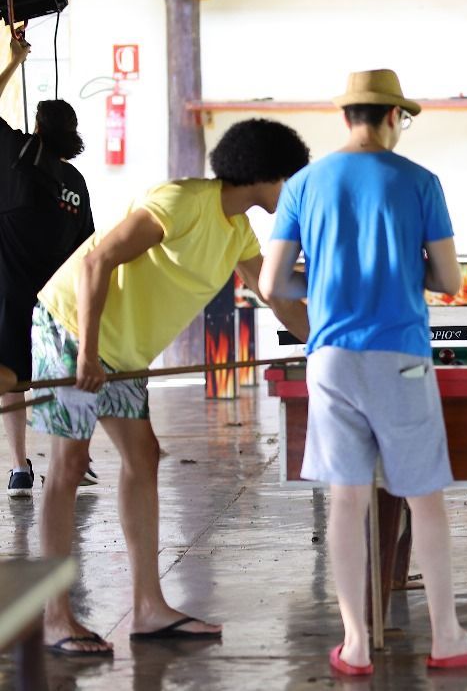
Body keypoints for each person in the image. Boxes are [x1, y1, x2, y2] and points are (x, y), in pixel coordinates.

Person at [31, 119, 311, 654]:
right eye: (291, 182)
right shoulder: (182, 202)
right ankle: (53, 615)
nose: (294, 194)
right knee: (69, 463)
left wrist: (325, 342)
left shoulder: (237, 233)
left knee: (144, 456)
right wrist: (86, 352)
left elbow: (278, 299)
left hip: (124, 351)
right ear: (266, 175)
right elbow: (97, 261)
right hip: (72, 327)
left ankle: (147, 608)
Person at [260, 69, 467, 676]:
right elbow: (448, 279)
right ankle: (446, 638)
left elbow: (271, 283)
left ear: (348, 117)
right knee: (423, 500)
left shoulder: (304, 185)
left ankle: (355, 645)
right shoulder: (420, 181)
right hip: (400, 357)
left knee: (346, 501)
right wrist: (399, 266)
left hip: (331, 357)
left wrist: (325, 277)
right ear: (394, 117)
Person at [0, 37, 97, 496]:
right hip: (59, 300)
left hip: (10, 295)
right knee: (63, 377)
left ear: (37, 128)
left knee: (11, 380)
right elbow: (88, 250)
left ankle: (20, 467)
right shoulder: (76, 183)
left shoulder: (17, 157)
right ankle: (75, 455)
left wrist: (14, 60)